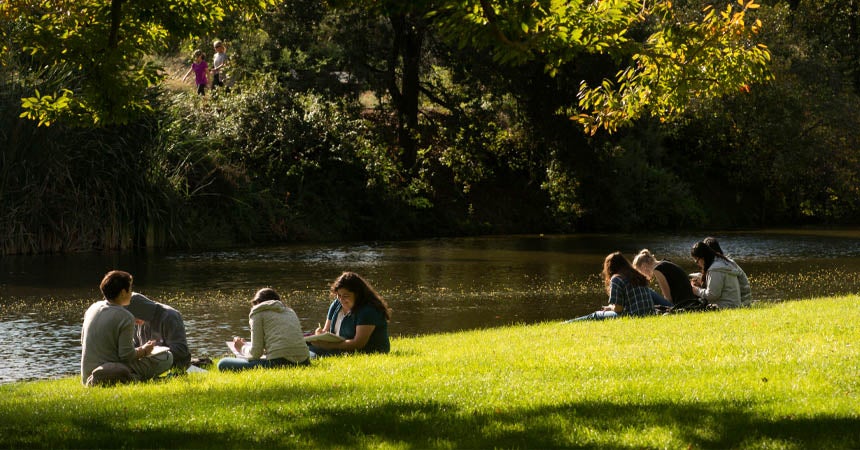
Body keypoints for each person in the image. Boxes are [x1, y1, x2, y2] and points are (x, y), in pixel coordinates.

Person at [81, 270, 173, 386]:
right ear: (123, 292)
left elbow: (84, 340)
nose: (131, 292)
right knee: (166, 357)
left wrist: (130, 320)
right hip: (109, 371)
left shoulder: (93, 308)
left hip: (86, 375)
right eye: (130, 289)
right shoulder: (125, 317)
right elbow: (127, 355)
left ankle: (127, 378)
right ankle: (133, 379)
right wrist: (145, 349)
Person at [217, 288, 310, 371]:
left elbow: (255, 354)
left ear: (257, 303)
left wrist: (241, 347)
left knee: (223, 363)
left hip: (279, 363)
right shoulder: (290, 311)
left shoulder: (257, 313)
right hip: (304, 361)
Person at [308, 272, 391, 357]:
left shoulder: (368, 310)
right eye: (338, 295)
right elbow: (326, 330)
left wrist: (329, 346)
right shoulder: (337, 304)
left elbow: (358, 343)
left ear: (358, 294)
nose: (341, 299)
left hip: (364, 351)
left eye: (346, 296)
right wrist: (320, 333)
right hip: (339, 349)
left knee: (313, 353)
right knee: (305, 347)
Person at [569, 252, 657, 321]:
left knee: (596, 315)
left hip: (634, 316)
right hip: (650, 314)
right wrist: (611, 307)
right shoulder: (637, 275)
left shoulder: (617, 278)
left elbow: (618, 309)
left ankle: (566, 324)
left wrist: (610, 308)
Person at [125, 293, 191, 369]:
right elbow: (135, 345)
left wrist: (155, 352)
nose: (135, 322)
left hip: (172, 362)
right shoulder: (137, 321)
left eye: (135, 318)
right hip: (147, 360)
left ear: (143, 310)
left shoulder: (170, 316)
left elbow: (181, 350)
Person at [632, 249, 697, 306]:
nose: (642, 275)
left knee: (647, 291)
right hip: (689, 301)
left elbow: (668, 298)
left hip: (681, 305)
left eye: (640, 272)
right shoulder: (664, 263)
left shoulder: (657, 269)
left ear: (644, 266)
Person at [690, 241, 742, 308]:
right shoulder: (721, 263)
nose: (698, 264)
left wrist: (696, 290)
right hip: (733, 305)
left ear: (703, 257)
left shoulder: (715, 269)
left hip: (725, 306)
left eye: (697, 261)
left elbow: (712, 295)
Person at [704, 237, 752, 306]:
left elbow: (713, 294)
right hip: (745, 301)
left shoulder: (717, 266)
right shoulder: (727, 262)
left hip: (740, 303)